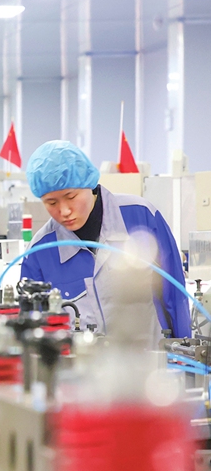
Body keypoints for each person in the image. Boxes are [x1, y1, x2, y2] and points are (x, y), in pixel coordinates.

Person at [20, 140, 190, 340]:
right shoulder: (39, 253)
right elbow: (32, 332)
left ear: (89, 184)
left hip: (151, 364)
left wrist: (184, 359)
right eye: (51, 202)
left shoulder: (142, 216)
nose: (64, 211)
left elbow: (175, 297)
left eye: (71, 196)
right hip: (80, 370)